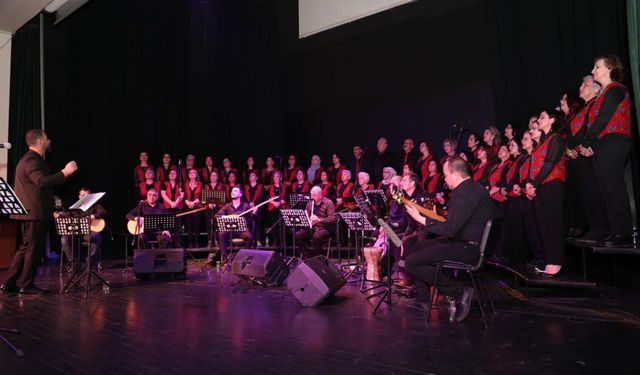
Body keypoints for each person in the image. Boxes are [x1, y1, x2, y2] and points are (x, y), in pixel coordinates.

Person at [404, 156, 497, 322]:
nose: (445, 179)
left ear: (455, 174)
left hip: (469, 248)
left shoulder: (464, 193)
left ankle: (458, 292)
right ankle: (424, 301)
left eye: (446, 175)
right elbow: (455, 223)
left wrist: (420, 218)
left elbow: (450, 229)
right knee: (417, 246)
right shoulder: (474, 188)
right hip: (467, 243)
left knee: (411, 262)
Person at [1, 129, 78, 294]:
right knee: (32, 249)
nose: (49, 141)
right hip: (33, 213)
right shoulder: (31, 160)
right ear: (39, 141)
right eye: (46, 138)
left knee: (26, 247)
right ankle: (25, 284)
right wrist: (65, 172)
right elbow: (41, 182)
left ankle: (10, 283)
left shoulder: (31, 159)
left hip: (31, 212)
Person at [579, 55, 634, 246]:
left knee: (613, 187)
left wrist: (586, 142)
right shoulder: (604, 93)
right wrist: (592, 145)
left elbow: (603, 119)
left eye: (597, 67)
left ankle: (623, 232)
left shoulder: (616, 89)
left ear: (610, 68)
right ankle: (616, 230)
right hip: (603, 143)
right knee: (606, 189)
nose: (594, 71)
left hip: (614, 141)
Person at [525, 110, 567, 277]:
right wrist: (530, 185)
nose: (539, 120)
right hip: (540, 186)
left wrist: (533, 184)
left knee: (553, 224)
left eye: (542, 117)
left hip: (553, 185)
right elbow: (534, 168)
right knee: (543, 225)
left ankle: (557, 262)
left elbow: (550, 164)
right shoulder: (542, 142)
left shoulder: (556, 138)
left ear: (552, 120)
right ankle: (550, 261)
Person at [56, 187, 107, 271]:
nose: (84, 197)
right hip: (76, 233)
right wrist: (60, 214)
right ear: (79, 196)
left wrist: (93, 216)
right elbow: (67, 214)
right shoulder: (75, 207)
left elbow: (104, 212)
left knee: (96, 236)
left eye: (87, 196)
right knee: (64, 239)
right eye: (82, 195)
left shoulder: (96, 205)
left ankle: (90, 264)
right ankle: (74, 263)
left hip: (88, 233)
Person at [215, 186, 255, 263]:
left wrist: (254, 212)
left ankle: (245, 257)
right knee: (221, 234)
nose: (232, 192)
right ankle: (224, 257)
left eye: (235, 191)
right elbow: (217, 215)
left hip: (242, 230)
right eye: (232, 191)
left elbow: (253, 218)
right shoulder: (228, 206)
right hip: (230, 230)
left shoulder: (245, 205)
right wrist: (228, 217)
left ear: (240, 194)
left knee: (249, 236)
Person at [294, 186, 335, 259]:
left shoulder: (328, 203)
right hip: (313, 228)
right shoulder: (309, 204)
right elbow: (306, 218)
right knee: (297, 235)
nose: (312, 197)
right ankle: (308, 255)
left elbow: (332, 219)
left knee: (316, 235)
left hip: (326, 228)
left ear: (320, 195)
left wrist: (319, 219)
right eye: (311, 195)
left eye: (314, 195)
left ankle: (318, 257)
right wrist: (307, 221)